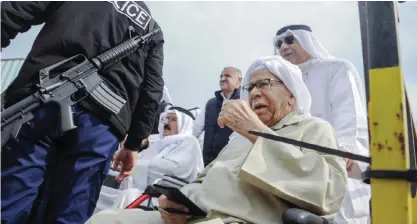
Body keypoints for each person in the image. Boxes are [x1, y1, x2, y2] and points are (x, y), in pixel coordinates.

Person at [86, 55, 348, 224]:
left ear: (292, 95)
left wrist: (257, 133)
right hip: (194, 216)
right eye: (250, 87)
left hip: (241, 220)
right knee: (107, 220)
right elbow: (206, 178)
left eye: (264, 84)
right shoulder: (239, 139)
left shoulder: (313, 128)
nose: (254, 93)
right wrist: (178, 202)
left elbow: (328, 192)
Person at [1, 2, 164, 224]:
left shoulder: (152, 31)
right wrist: (133, 144)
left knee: (13, 197)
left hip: (41, 106)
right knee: (70, 212)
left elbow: (15, 11)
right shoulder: (151, 26)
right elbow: (152, 90)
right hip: (97, 126)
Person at [273, 24, 370, 223]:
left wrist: (344, 150)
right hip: (298, 168)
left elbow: (349, 112)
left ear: (308, 40)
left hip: (335, 160)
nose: (283, 47)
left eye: (290, 40)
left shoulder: (336, 68)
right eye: (279, 43)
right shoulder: (281, 84)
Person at [95, 106, 204, 212]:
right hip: (142, 193)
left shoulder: (189, 142)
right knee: (97, 193)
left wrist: (133, 166)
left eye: (173, 119)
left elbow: (175, 169)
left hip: (165, 200)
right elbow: (138, 160)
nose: (166, 122)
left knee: (128, 196)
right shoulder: (159, 144)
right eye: (166, 118)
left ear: (184, 123)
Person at [193, 67, 242, 166]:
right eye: (221, 76)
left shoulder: (244, 103)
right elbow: (194, 131)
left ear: (239, 81)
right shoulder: (210, 104)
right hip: (208, 164)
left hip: (231, 164)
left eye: (227, 76)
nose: (222, 78)